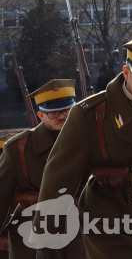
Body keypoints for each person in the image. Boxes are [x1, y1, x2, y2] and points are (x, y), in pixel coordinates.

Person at [34, 38, 132, 259]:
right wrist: (45, 234)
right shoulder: (91, 113)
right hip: (107, 219)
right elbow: (59, 176)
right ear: (126, 72)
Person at [0, 80, 84, 259]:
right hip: (30, 235)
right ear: (40, 115)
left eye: (67, 110)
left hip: (79, 233)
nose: (62, 116)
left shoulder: (88, 141)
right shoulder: (18, 149)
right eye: (53, 112)